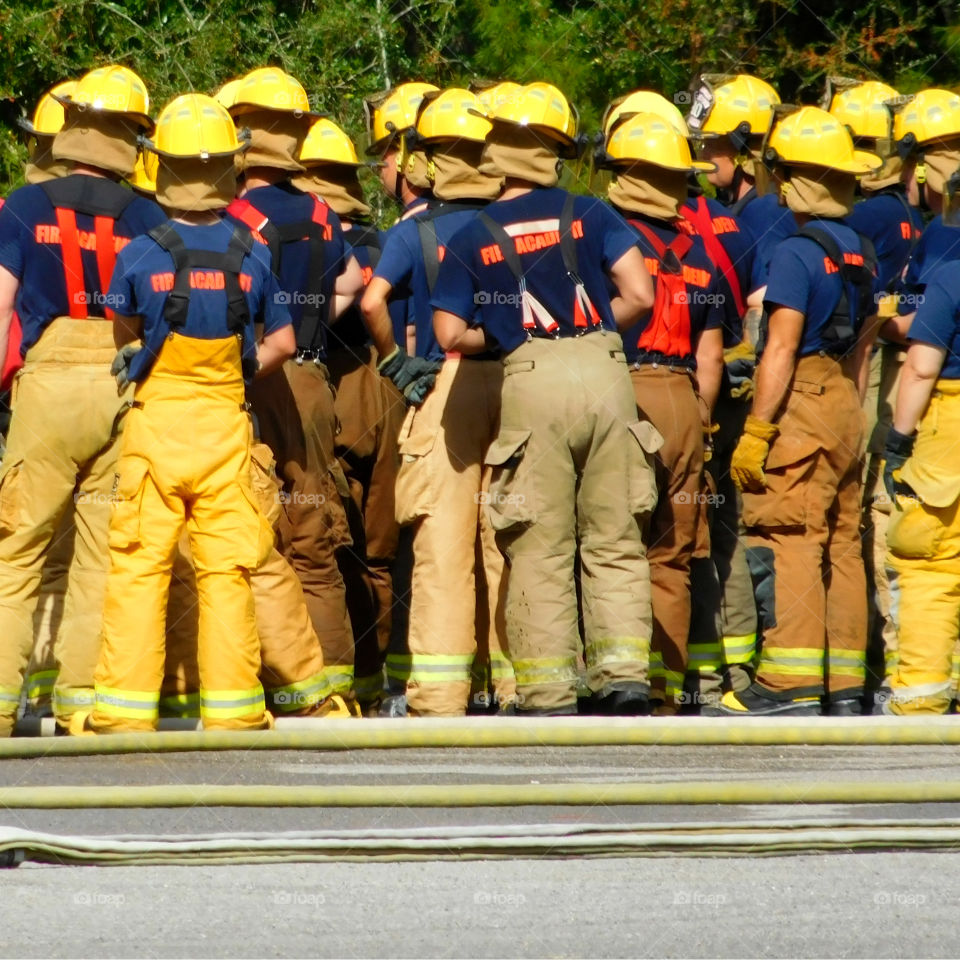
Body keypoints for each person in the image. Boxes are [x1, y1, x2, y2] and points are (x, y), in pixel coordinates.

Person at [431, 82, 659, 716]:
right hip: (607, 373)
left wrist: (508, 335)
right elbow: (641, 294)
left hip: (529, 378)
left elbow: (448, 334)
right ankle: (624, 678)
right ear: (555, 148)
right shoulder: (592, 213)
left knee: (538, 542)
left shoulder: (473, 233)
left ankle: (548, 692)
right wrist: (595, 332)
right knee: (615, 533)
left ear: (495, 148)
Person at [72, 93, 294, 734]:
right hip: (227, 427)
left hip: (156, 429)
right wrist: (237, 373)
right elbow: (282, 341)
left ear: (160, 165)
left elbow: (124, 336)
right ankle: (233, 711)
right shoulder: (253, 251)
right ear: (228, 165)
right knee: (227, 568)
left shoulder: (140, 252)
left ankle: (123, 714)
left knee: (140, 565)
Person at [0, 65, 165, 736]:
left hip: (48, 387)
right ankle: (80, 705)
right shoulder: (150, 216)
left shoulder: (22, 205)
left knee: (18, 550)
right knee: (100, 555)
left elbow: (1, 306)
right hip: (121, 384)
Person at [722, 106, 881, 716]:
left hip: (802, 399)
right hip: (845, 400)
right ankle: (844, 684)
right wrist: (853, 416)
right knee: (840, 541)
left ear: (796, 180)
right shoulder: (861, 251)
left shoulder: (794, 252)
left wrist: (758, 431)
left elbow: (781, 348)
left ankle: (786, 681)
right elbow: (864, 345)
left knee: (786, 535)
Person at [361, 87, 511, 716]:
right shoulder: (510, 224)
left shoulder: (416, 230)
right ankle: (516, 687)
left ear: (428, 159)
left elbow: (372, 301)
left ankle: (442, 694)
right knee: (507, 541)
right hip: (514, 379)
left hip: (444, 384)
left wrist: (396, 361)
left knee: (443, 547)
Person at [223, 67, 365, 704]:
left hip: (254, 381)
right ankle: (334, 687)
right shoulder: (320, 210)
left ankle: (270, 680)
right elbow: (353, 283)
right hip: (311, 377)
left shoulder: (234, 216)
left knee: (253, 536)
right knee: (314, 537)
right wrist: (310, 327)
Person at [600, 111, 725, 713]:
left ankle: (616, 681)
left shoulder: (607, 238)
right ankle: (666, 692)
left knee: (615, 543)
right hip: (685, 401)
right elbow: (712, 356)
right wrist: (699, 418)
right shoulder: (704, 253)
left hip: (624, 392)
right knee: (672, 556)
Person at [293, 117, 405, 715]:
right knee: (379, 550)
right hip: (383, 386)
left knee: (326, 537)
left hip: (330, 387)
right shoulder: (380, 240)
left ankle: (327, 679)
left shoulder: (303, 234)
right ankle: (374, 680)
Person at [827, 78, 924, 698]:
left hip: (873, 368)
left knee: (864, 507)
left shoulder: (865, 215)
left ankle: (876, 657)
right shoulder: (911, 216)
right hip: (899, 364)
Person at [882, 174, 960, 713]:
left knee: (929, 560)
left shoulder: (951, 277)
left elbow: (921, 367)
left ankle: (921, 696)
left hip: (948, 427)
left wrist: (898, 438)